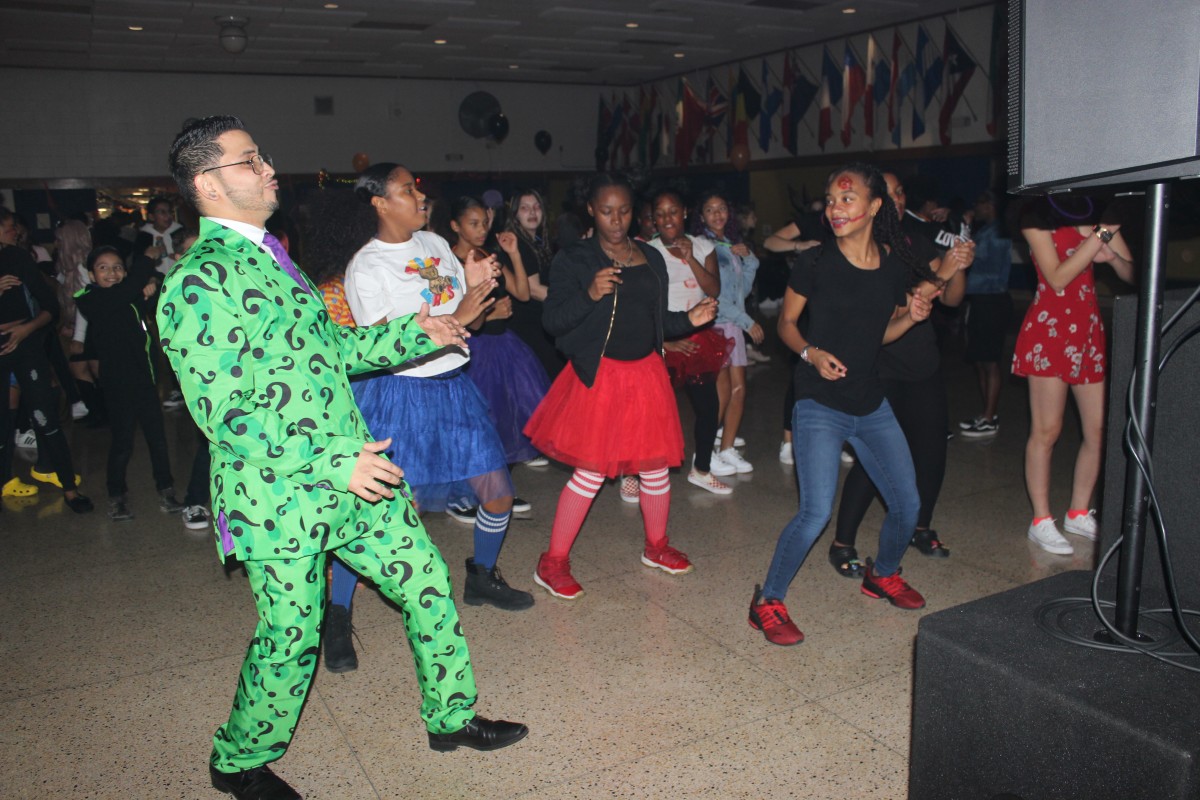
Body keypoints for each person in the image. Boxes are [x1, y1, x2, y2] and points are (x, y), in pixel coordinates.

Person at [158, 116, 527, 800]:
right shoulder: (198, 283)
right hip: (283, 493)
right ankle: (238, 761)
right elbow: (227, 415)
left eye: (262, 154)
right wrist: (334, 463)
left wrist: (415, 332)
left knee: (426, 585)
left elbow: (331, 351)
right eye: (248, 160)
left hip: (357, 473)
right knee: (290, 639)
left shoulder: (271, 256)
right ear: (208, 183)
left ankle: (450, 717)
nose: (268, 167)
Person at [749, 163, 937, 646]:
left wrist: (912, 318)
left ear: (875, 207)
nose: (835, 208)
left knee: (907, 503)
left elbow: (883, 334)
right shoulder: (814, 262)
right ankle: (767, 600)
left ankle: (884, 572)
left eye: (847, 199)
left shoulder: (894, 266)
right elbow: (787, 326)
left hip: (869, 400)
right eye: (831, 200)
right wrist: (812, 353)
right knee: (815, 513)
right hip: (819, 401)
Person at [525, 172, 717, 599]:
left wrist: (691, 321)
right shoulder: (574, 258)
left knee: (654, 469)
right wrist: (591, 294)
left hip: (645, 374)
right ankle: (552, 562)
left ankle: (657, 546)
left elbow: (658, 321)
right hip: (601, 376)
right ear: (592, 210)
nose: (617, 219)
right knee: (591, 473)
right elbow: (553, 321)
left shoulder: (649, 255)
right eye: (607, 211)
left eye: (625, 211)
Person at [829, 171, 972, 575]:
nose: (897, 199)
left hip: (922, 362)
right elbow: (891, 313)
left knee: (931, 454)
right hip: (881, 366)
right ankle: (842, 543)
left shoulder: (914, 241)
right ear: (872, 202)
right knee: (875, 461)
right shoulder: (866, 249)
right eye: (888, 193)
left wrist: (957, 266)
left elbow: (953, 298)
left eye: (901, 191)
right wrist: (941, 273)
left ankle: (919, 527)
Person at [1014, 197, 1135, 555]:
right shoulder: (1036, 219)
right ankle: (1040, 520)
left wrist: (1111, 257)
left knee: (1099, 430)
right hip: (1050, 329)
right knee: (1047, 430)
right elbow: (1057, 277)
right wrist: (1098, 237)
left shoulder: (1102, 215)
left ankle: (1078, 511)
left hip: (1087, 329)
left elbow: (1133, 273)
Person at [75, 246, 186, 520]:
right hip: (116, 385)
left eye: (117, 267)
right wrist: (146, 260)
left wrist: (152, 288)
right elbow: (122, 295)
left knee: (157, 440)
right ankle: (116, 496)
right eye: (103, 267)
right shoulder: (88, 298)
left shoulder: (130, 296)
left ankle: (166, 490)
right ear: (91, 274)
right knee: (122, 442)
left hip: (144, 381)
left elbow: (150, 299)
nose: (112, 273)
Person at [447, 195, 551, 469]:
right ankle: (484, 481)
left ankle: (499, 480)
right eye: (473, 224)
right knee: (482, 416)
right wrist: (492, 313)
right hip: (476, 346)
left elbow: (522, 292)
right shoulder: (449, 262)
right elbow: (450, 312)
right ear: (456, 226)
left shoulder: (487, 256)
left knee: (510, 411)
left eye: (484, 223)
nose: (481, 230)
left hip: (502, 342)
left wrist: (514, 252)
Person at [0, 207, 92, 513]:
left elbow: (50, 305)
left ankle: (68, 487)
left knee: (46, 417)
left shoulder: (16, 257)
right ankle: (5, 481)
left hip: (26, 349)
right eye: (10, 227)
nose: (16, 232)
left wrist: (27, 328)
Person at [647, 189, 734, 494]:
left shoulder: (703, 246)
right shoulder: (648, 251)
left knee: (708, 408)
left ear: (684, 212)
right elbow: (643, 304)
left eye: (673, 211)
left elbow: (714, 290)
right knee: (650, 414)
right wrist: (665, 343)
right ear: (654, 219)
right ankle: (633, 474)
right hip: (661, 340)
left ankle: (702, 469)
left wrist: (690, 258)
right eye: (660, 213)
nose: (667, 218)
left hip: (697, 339)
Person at [693, 190, 761, 472]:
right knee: (720, 392)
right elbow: (716, 298)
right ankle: (705, 454)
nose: (717, 214)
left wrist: (749, 260)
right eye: (710, 210)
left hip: (734, 324)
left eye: (722, 208)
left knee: (739, 389)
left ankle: (728, 448)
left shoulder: (729, 244)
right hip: (716, 325)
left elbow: (740, 292)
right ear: (701, 217)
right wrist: (748, 322)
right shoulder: (702, 247)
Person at [959, 191, 1013, 438]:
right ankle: (986, 414)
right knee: (980, 359)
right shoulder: (986, 229)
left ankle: (990, 417)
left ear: (989, 205)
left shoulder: (999, 232)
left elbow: (976, 260)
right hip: (980, 300)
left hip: (993, 300)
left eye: (978, 202)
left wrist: (966, 228)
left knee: (990, 361)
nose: (975, 207)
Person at [506, 189, 566, 378]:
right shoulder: (519, 245)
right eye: (525, 208)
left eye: (536, 207)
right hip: (528, 329)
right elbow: (533, 290)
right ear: (515, 214)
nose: (532, 212)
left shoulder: (538, 242)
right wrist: (573, 300)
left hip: (539, 324)